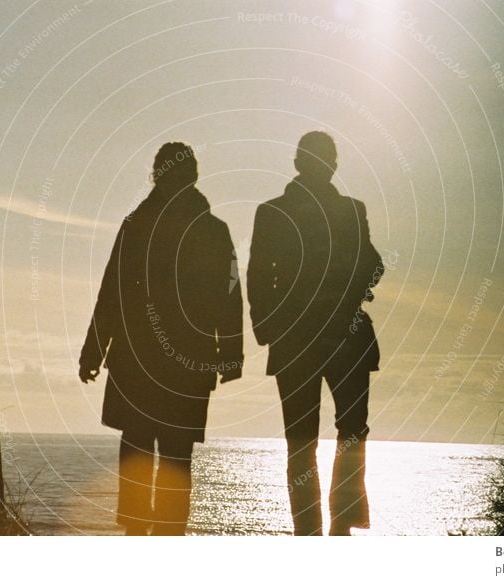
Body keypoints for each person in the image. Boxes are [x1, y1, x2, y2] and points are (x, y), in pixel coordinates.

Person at [79, 142, 243, 536]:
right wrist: (230, 356)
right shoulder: (213, 230)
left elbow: (111, 293)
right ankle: (166, 540)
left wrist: (94, 351)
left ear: (157, 175)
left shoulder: (137, 225)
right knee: (175, 455)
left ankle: (141, 540)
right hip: (187, 363)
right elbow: (231, 297)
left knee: (140, 449)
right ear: (193, 177)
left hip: (138, 361)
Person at [247, 131, 384, 536]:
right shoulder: (345, 211)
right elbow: (374, 265)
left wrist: (269, 327)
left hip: (303, 340)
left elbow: (257, 277)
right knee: (342, 434)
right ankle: (337, 528)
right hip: (334, 336)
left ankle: (316, 532)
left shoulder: (275, 211)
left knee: (309, 441)